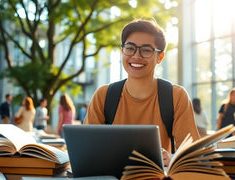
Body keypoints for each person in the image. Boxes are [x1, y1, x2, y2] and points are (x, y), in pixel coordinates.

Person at [84, 19, 200, 166]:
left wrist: (173, 158)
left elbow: (193, 156)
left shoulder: (175, 96)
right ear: (122, 51)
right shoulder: (103, 95)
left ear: (160, 57)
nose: (136, 56)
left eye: (146, 50)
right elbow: (87, 151)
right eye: (130, 48)